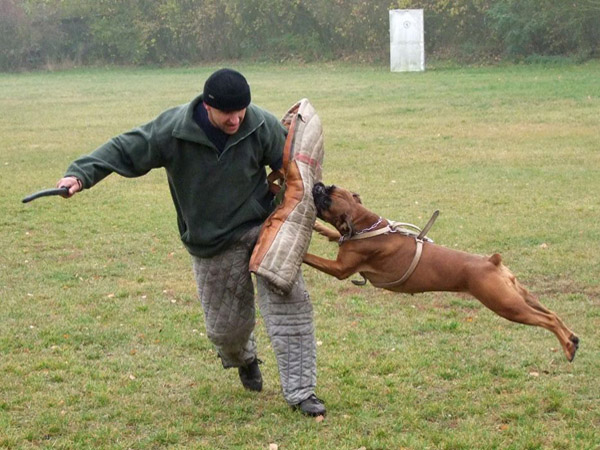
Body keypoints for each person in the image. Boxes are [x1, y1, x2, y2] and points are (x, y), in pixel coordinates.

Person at [56, 68, 326, 416]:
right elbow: (125, 148)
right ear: (208, 106)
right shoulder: (173, 130)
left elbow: (295, 171)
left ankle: (302, 393)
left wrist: (329, 208)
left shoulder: (258, 124)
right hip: (212, 240)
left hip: (263, 227)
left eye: (241, 109)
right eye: (228, 112)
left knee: (289, 301)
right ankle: (243, 359)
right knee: (226, 331)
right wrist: (80, 174)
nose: (236, 118)